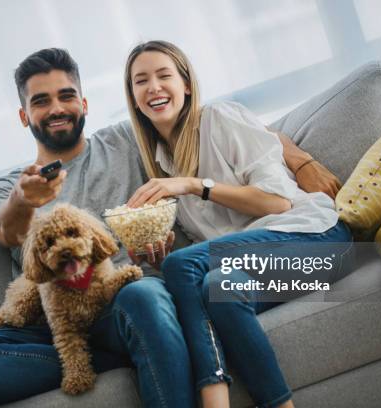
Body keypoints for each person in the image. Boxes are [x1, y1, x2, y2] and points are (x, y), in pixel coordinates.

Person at [0, 47, 341, 407]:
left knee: (144, 295)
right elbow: (5, 231)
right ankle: (136, 352)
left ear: (84, 104)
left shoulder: (127, 140)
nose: (56, 108)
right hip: (60, 324)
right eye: (41, 101)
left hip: (130, 299)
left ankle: (148, 343)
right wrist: (25, 198)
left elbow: (213, 120)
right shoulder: (8, 187)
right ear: (24, 115)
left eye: (66, 96)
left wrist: (301, 160)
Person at [124, 41, 352, 408]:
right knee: (219, 289)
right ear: (133, 97)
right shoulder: (163, 162)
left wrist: (195, 186)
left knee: (182, 266)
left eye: (164, 75)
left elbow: (277, 202)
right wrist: (156, 253)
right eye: (141, 81)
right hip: (264, 263)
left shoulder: (220, 119)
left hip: (319, 241)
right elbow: (217, 249)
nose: (153, 87)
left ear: (186, 84)